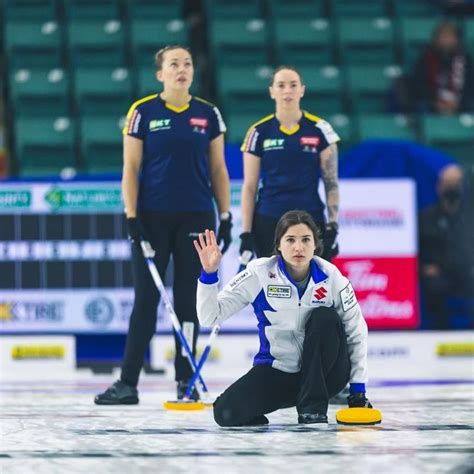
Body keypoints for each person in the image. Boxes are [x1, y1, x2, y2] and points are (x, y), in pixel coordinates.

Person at [95, 45, 232, 405]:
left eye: (187, 63)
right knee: (146, 301)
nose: (181, 69)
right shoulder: (142, 112)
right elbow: (130, 167)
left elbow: (218, 169)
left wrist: (227, 215)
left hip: (197, 217)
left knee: (188, 301)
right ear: (160, 74)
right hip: (152, 219)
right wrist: (131, 216)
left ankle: (185, 381)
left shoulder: (208, 113)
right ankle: (127, 383)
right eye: (174, 64)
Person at [194, 210, 371, 426]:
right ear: (278, 244)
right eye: (290, 240)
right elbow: (210, 316)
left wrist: (358, 391)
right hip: (278, 374)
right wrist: (209, 275)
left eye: (306, 240)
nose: (298, 247)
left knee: (325, 317)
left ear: (315, 244)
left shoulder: (332, 278)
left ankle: (312, 410)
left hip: (327, 376)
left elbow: (356, 332)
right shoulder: (259, 274)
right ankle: (291, 400)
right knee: (225, 414)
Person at [239, 65, 341, 265]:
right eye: (281, 85)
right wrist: (246, 233)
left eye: (293, 85)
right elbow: (249, 186)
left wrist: (333, 225)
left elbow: (331, 183)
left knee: (313, 288)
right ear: (272, 91)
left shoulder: (321, 129)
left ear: (302, 90)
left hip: (310, 219)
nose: (287, 90)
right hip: (269, 218)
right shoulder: (258, 132)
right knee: (275, 289)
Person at [419, 164, 474, 329]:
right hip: (439, 275)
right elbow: (416, 251)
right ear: (439, 186)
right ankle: (438, 331)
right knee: (433, 287)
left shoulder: (470, 217)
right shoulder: (426, 218)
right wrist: (423, 267)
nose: (452, 187)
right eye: (448, 182)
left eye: (456, 182)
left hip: (467, 273)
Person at [410, 21, 474, 114]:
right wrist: (435, 102)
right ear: (436, 39)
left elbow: (470, 84)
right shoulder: (424, 59)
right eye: (443, 36)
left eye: (450, 36)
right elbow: (419, 84)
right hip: (432, 102)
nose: (447, 40)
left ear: (456, 39)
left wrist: (458, 102)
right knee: (420, 106)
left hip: (460, 102)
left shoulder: (466, 60)